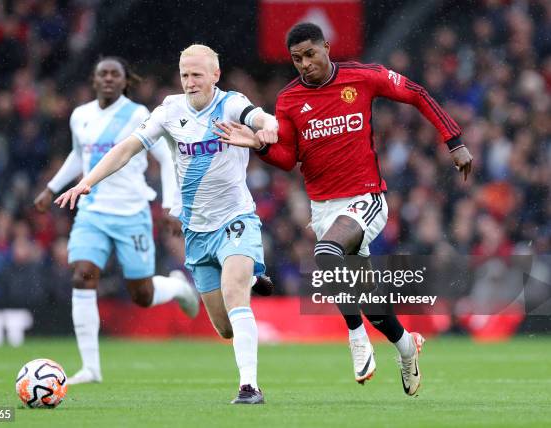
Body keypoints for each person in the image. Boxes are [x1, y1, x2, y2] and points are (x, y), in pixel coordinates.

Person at [214, 22, 474, 396]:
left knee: (325, 253)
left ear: (327, 47)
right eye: (296, 59)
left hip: (365, 197)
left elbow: (416, 93)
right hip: (324, 207)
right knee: (368, 299)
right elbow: (289, 158)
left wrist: (454, 140)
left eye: (310, 54)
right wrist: (258, 144)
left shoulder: (362, 77)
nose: (304, 64)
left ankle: (355, 338)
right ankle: (405, 348)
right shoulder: (288, 100)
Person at [54, 45, 279, 404]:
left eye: (197, 75)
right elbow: (127, 148)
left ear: (215, 75)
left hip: (235, 218)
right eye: (185, 75)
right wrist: (87, 181)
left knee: (236, 294)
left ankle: (249, 387)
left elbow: (263, 118)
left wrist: (268, 129)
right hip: (197, 231)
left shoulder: (231, 104)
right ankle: (250, 276)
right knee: (224, 328)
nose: (190, 82)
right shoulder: (170, 111)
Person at [34, 57, 200, 385]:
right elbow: (78, 155)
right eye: (102, 74)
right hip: (92, 211)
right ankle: (91, 368)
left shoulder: (137, 115)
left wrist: (170, 205)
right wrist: (52, 186)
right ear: (94, 80)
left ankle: (177, 286)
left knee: (141, 295)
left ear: (125, 81)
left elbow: (165, 157)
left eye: (115, 74)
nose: (108, 79)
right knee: (82, 277)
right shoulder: (80, 115)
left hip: (131, 212)